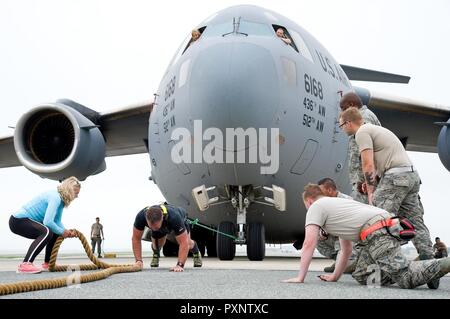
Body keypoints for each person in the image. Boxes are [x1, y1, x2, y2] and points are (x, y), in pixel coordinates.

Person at [339, 107, 438, 288]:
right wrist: (373, 181)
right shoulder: (377, 130)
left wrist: (371, 192)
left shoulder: (362, 132)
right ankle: (430, 264)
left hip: (395, 177)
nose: (342, 130)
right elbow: (382, 163)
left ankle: (377, 269)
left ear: (348, 123)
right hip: (411, 175)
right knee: (415, 221)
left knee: (376, 221)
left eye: (341, 126)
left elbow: (367, 164)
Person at [282, 184, 450, 289]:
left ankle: (431, 267)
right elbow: (346, 251)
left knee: (406, 278)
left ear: (309, 201)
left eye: (306, 206)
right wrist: (334, 277)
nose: (307, 210)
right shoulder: (337, 207)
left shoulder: (316, 207)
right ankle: (415, 266)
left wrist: (300, 277)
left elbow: (309, 243)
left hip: (377, 231)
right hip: (385, 227)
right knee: (366, 276)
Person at [9, 177, 80, 274]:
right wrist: (63, 232)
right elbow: (47, 222)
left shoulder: (61, 201)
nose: (77, 196)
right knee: (47, 231)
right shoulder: (55, 197)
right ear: (70, 190)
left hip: (25, 221)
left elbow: (57, 221)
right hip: (18, 221)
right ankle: (25, 264)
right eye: (76, 193)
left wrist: (66, 231)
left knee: (55, 231)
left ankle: (47, 263)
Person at [132, 203, 202, 271]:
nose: (153, 228)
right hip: (161, 227)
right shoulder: (141, 216)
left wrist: (180, 265)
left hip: (179, 219)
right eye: (151, 227)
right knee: (157, 245)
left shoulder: (174, 217)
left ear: (162, 218)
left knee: (188, 243)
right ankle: (156, 253)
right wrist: (138, 261)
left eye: (155, 227)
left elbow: (184, 242)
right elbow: (136, 238)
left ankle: (196, 252)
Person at [339, 92, 381, 204]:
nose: (342, 112)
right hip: (366, 180)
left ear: (352, 104)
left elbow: (365, 155)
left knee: (360, 213)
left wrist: (364, 182)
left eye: (343, 108)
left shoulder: (363, 118)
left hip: (364, 181)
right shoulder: (365, 115)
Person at [316, 178, 357, 273]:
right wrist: (322, 231)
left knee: (345, 269)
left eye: (321, 192)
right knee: (317, 240)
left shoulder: (346, 201)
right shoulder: (325, 203)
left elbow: (349, 225)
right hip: (335, 235)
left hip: (347, 236)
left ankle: (347, 262)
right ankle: (340, 261)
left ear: (330, 190)